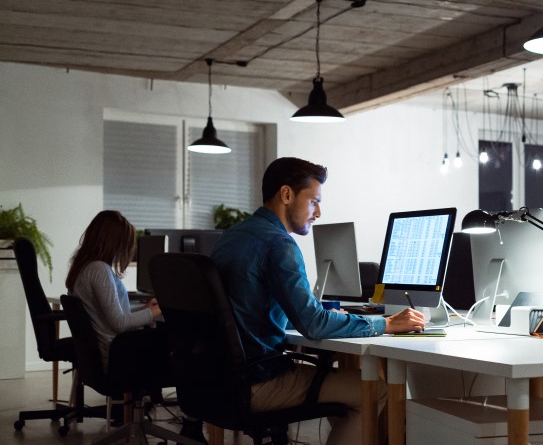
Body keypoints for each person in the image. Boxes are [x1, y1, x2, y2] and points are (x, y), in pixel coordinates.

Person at [211, 157, 426, 444]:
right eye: (314, 201)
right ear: (287, 195)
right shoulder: (279, 245)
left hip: (218, 380)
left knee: (345, 392)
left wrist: (324, 313)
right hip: (257, 382)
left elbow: (254, 305)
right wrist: (383, 324)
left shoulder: (232, 236)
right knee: (375, 391)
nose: (319, 212)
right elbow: (312, 325)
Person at [66, 210, 206, 444]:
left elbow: (112, 319)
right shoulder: (99, 270)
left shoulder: (85, 268)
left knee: (180, 341)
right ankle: (193, 421)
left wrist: (145, 311)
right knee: (193, 345)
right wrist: (154, 311)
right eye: (126, 244)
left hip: (114, 356)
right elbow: (119, 324)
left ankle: (191, 419)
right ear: (113, 241)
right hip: (121, 358)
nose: (129, 250)